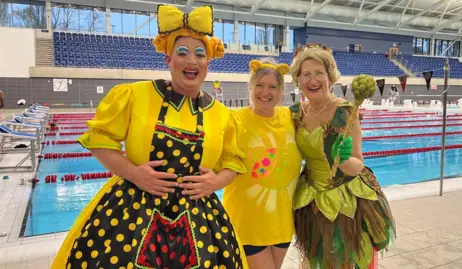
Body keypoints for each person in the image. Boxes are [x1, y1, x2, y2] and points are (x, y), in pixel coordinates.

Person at [51, 5, 250, 269]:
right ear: (168, 59)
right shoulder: (136, 96)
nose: (192, 60)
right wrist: (134, 174)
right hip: (131, 211)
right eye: (183, 52)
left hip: (199, 216)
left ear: (208, 63)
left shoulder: (223, 115)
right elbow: (100, 141)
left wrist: (215, 182)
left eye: (200, 54)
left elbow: (233, 162)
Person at [289, 43, 395, 269]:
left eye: (319, 73)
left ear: (330, 77)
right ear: (298, 79)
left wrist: (345, 160)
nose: (313, 80)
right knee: (314, 260)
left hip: (345, 200)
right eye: (306, 74)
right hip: (311, 200)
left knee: (347, 261)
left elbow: (358, 163)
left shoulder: (345, 111)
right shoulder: (297, 113)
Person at [222, 58, 302, 269]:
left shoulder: (291, 117)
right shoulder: (235, 119)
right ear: (250, 87)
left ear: (281, 91)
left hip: (282, 221)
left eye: (272, 87)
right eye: (259, 85)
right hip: (247, 220)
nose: (265, 92)